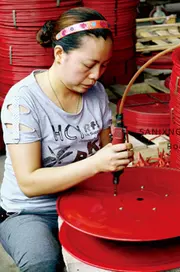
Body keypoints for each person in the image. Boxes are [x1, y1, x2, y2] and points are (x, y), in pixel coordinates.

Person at [0, 7, 134, 272]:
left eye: (103, 65)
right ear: (59, 54)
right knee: (43, 262)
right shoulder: (23, 102)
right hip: (30, 211)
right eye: (88, 65)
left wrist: (116, 155)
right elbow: (29, 182)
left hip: (83, 198)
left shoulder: (95, 93)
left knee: (124, 250)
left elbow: (106, 149)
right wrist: (97, 163)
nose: (96, 75)